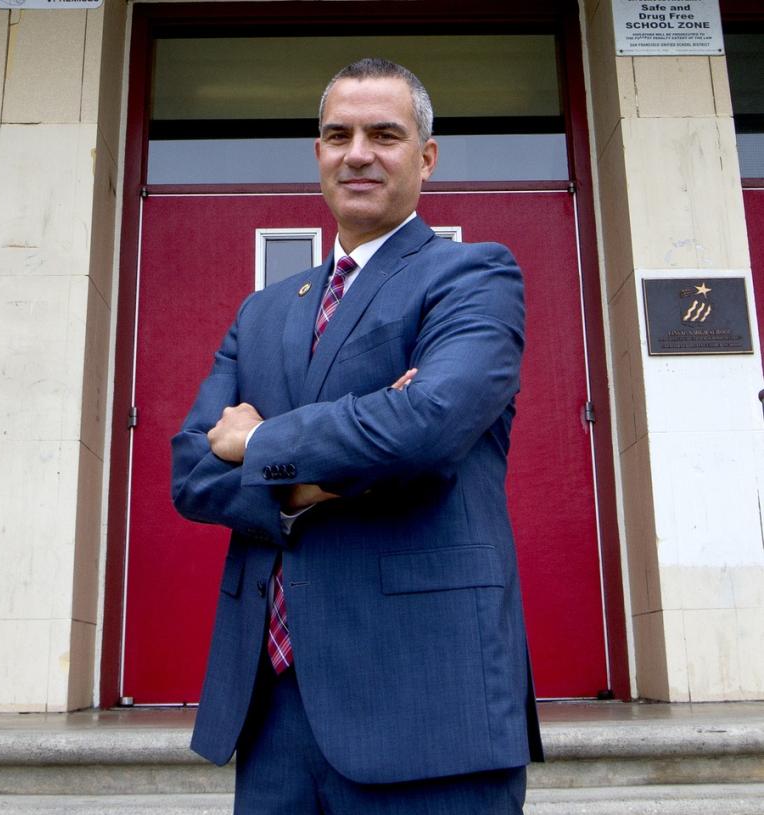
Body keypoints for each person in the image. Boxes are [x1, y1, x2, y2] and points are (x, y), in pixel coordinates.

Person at [170, 58, 543, 814]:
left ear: (426, 157)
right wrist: (337, 464)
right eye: (338, 134)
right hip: (272, 713)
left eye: (385, 133)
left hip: (427, 706)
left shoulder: (472, 278)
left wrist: (261, 442)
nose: (358, 152)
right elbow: (193, 473)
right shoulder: (264, 311)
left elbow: (427, 428)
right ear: (318, 154)